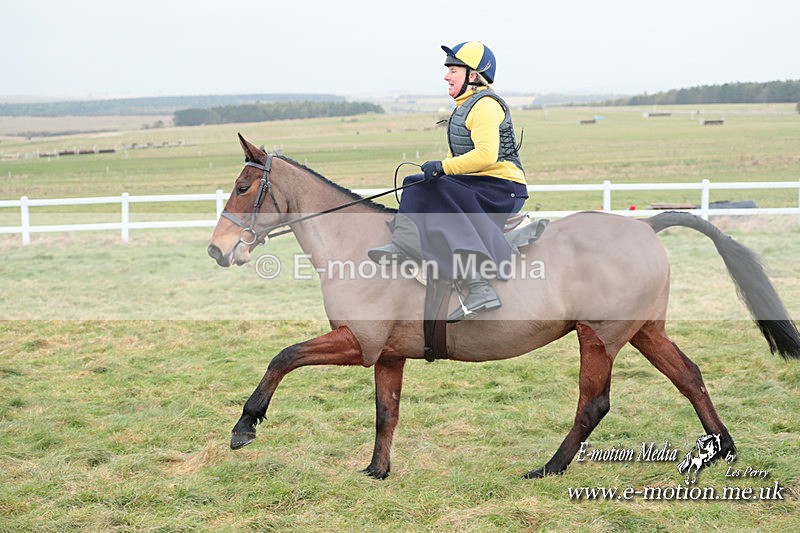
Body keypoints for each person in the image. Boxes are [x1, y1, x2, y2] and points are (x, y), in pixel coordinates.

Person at [368, 41, 528, 322]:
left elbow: (486, 156)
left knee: (441, 191)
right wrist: (438, 169)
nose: (446, 76)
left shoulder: (485, 107)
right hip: (480, 184)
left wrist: (443, 168)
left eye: (453, 70)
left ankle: (479, 287)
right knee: (415, 181)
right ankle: (403, 246)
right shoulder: (464, 107)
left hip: (503, 188)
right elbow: (462, 156)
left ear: (473, 75)